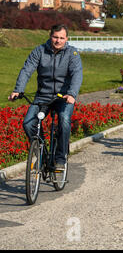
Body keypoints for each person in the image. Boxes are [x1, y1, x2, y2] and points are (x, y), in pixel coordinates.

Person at [8, 24, 83, 170]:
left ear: (66, 39)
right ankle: (42, 153)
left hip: (64, 97)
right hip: (43, 96)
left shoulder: (72, 53)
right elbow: (27, 70)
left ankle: (61, 158)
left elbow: (77, 74)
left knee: (64, 120)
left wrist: (72, 94)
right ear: (50, 36)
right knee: (28, 124)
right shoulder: (39, 51)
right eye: (55, 37)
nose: (58, 41)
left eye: (61, 38)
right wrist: (18, 90)